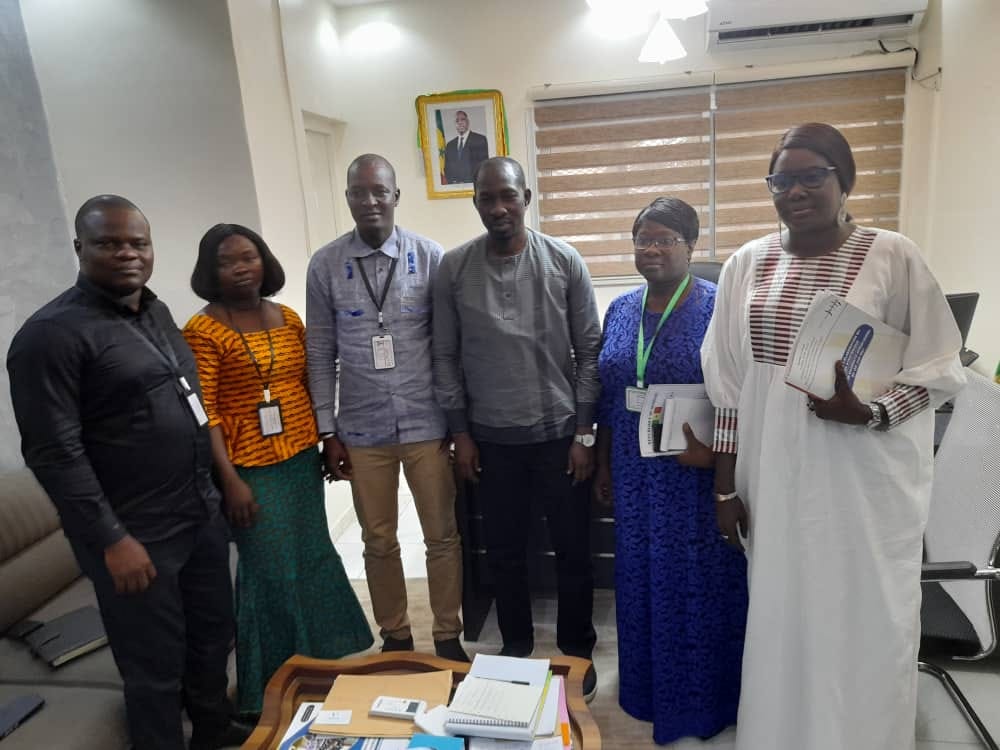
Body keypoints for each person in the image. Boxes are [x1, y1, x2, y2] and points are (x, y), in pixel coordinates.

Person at [701, 123, 967, 750]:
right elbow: (731, 386)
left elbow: (939, 367)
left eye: (811, 175)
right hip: (771, 472)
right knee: (781, 609)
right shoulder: (747, 263)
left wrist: (870, 414)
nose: (795, 190)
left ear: (843, 180)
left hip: (859, 474)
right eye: (781, 179)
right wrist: (723, 490)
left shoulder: (893, 256)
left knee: (861, 610)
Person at [6, 195, 251, 750]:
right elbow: (54, 454)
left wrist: (219, 487)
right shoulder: (50, 336)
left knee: (213, 636)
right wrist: (112, 540)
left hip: (197, 513)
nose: (127, 254)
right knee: (155, 668)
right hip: (135, 533)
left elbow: (191, 402)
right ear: (79, 248)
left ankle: (213, 730)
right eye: (109, 243)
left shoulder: (157, 313)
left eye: (137, 243)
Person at [182, 223, 373, 717]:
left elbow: (311, 382)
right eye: (228, 261)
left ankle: (318, 663)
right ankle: (263, 689)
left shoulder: (287, 317)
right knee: (267, 573)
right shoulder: (201, 331)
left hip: (298, 461)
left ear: (264, 260)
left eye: (249, 257)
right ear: (210, 271)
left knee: (310, 558)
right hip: (248, 470)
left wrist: (329, 440)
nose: (242, 268)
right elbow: (206, 414)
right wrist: (230, 482)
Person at [432, 156, 601, 700]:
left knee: (573, 549)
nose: (499, 208)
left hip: (558, 438)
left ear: (526, 196)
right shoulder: (454, 268)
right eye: (487, 198)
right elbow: (445, 355)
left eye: (508, 195)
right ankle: (517, 648)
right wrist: (459, 432)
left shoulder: (564, 260)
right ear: (476, 203)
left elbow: (590, 352)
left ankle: (577, 650)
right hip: (491, 441)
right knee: (504, 552)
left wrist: (583, 434)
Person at [593, 197, 747, 744]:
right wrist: (605, 461)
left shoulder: (717, 307)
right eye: (642, 239)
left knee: (694, 585)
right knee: (638, 581)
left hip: (692, 474)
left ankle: (702, 703)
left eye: (665, 240)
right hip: (635, 473)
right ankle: (643, 690)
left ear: (691, 246)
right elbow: (612, 391)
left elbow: (740, 397)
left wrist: (716, 462)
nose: (651, 249)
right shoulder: (620, 308)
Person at [306, 154, 467, 662]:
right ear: (348, 198)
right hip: (361, 429)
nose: (370, 201)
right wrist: (327, 431)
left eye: (380, 191)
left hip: (426, 424)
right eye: (359, 192)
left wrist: (455, 418)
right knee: (378, 540)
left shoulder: (430, 255)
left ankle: (447, 633)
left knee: (442, 535)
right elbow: (319, 353)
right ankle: (395, 634)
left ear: (397, 196)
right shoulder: (325, 264)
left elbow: (449, 343)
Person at [443, 110, 489, 184]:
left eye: (462, 119)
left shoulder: (480, 139)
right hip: (455, 186)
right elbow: (447, 168)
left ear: (468, 121)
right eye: (457, 121)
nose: (460, 123)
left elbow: (484, 165)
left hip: (474, 185)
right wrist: (454, 182)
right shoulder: (450, 145)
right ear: (455, 124)